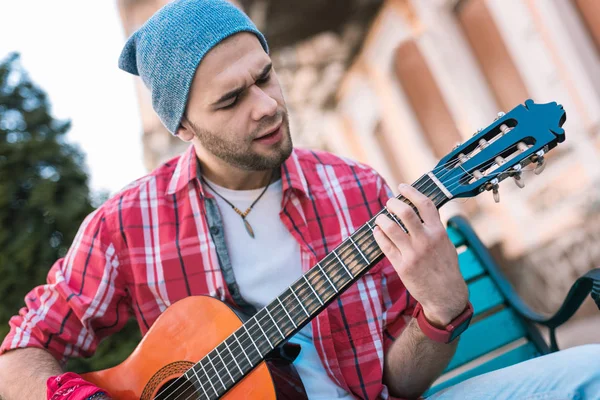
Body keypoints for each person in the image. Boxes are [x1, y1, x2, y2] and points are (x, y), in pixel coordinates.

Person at [0, 1, 598, 399]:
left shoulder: (355, 189)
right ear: (183, 127)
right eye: (231, 101)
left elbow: (402, 382)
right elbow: (19, 356)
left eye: (264, 77)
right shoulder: (127, 225)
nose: (265, 106)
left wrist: (440, 312)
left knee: (587, 371)